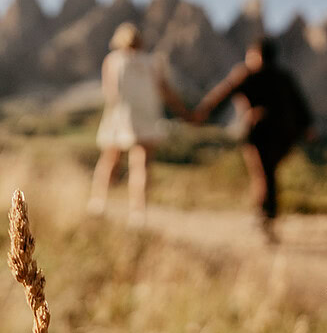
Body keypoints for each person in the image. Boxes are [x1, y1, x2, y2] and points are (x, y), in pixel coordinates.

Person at [193, 36, 314, 243]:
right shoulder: (284, 77)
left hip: (260, 133)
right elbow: (300, 103)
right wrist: (308, 127)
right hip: (285, 134)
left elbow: (222, 93)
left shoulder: (247, 74)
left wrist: (202, 113)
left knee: (263, 174)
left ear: (257, 55)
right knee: (267, 173)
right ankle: (266, 216)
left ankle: (265, 217)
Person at [89, 22, 187, 224]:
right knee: (141, 164)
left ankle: (98, 203)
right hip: (147, 117)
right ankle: (137, 212)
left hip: (120, 115)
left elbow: (110, 93)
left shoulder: (113, 60)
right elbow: (166, 91)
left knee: (109, 159)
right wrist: (185, 113)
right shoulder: (154, 62)